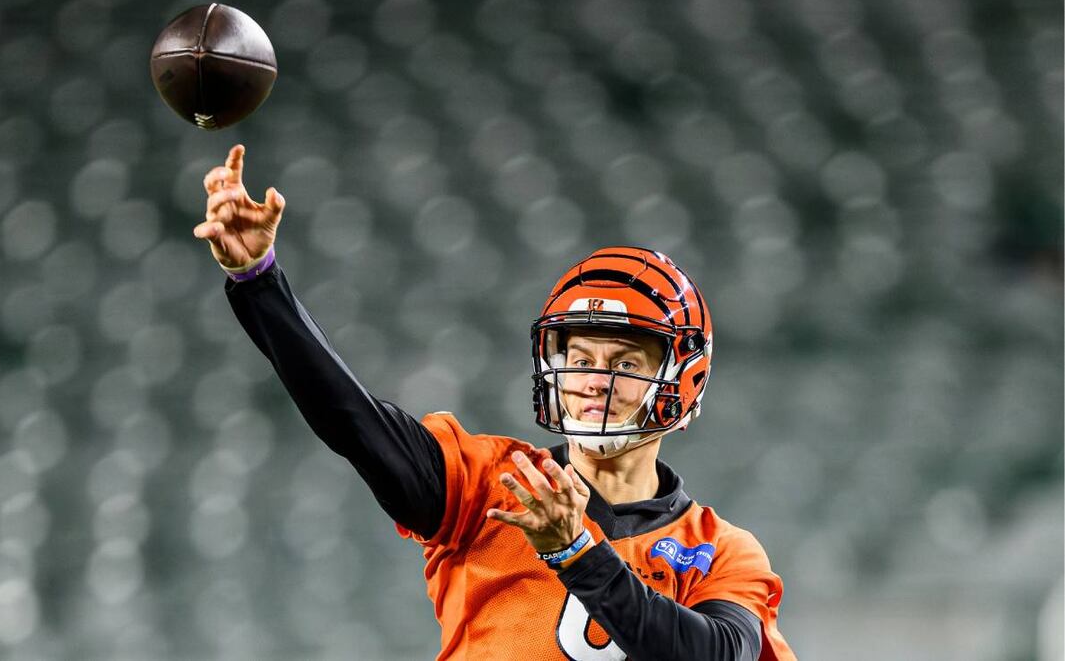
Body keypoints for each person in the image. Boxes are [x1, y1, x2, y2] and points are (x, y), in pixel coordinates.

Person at [193, 144, 797, 661]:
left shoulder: (720, 550)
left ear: (681, 378)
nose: (592, 380)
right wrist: (259, 281)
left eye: (624, 364)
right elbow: (352, 421)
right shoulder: (484, 483)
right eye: (579, 359)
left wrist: (577, 554)